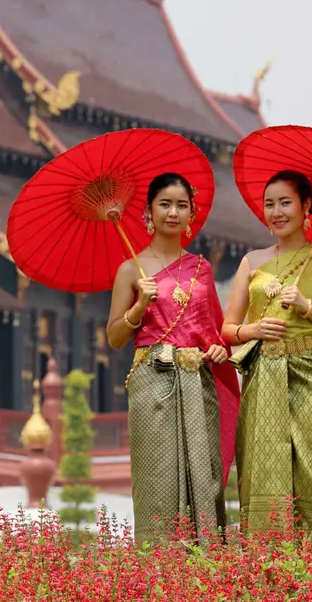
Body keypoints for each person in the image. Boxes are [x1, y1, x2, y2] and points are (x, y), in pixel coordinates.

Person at [221, 169, 312, 543]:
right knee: (262, 468)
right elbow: (228, 330)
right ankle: (267, 564)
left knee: (311, 469)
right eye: (270, 204)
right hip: (263, 374)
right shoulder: (252, 262)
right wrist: (254, 330)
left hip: (311, 376)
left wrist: (308, 307)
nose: (276, 212)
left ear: (307, 207)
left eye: (285, 203)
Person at [106, 172, 240, 546]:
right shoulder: (131, 270)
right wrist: (139, 307)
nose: (173, 213)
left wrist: (217, 350)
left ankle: (206, 570)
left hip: (200, 382)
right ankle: (158, 570)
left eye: (182, 206)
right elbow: (115, 336)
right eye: (164, 204)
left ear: (191, 214)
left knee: (206, 472)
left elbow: (214, 331)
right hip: (154, 381)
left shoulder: (201, 268)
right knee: (158, 475)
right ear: (149, 212)